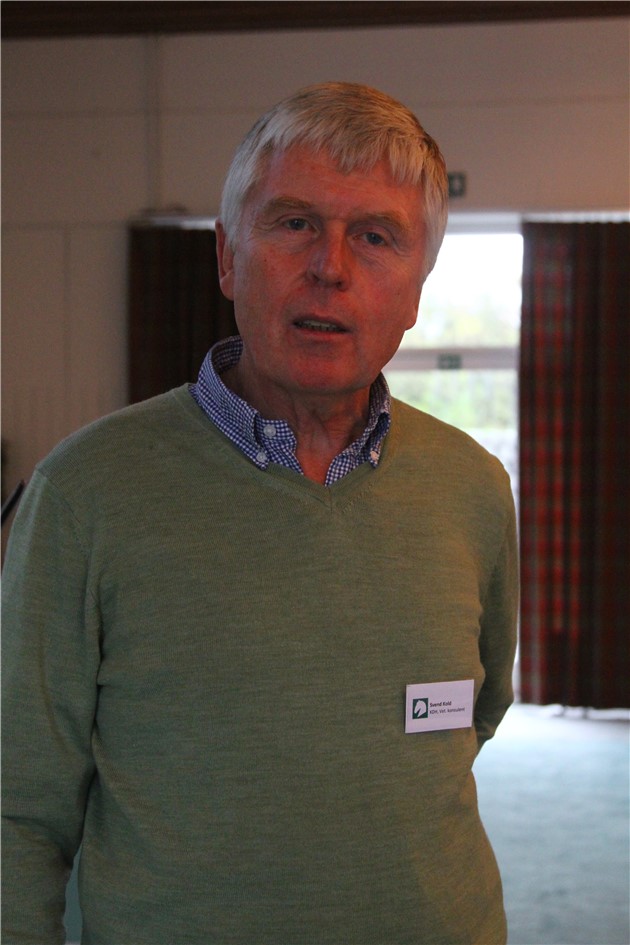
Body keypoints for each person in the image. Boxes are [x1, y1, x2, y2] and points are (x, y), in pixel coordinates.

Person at [2, 82, 518, 945]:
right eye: (294, 223)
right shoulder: (84, 492)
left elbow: (475, 710)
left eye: (376, 236)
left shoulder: (473, 486)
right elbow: (17, 809)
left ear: (417, 287)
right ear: (227, 257)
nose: (331, 266)